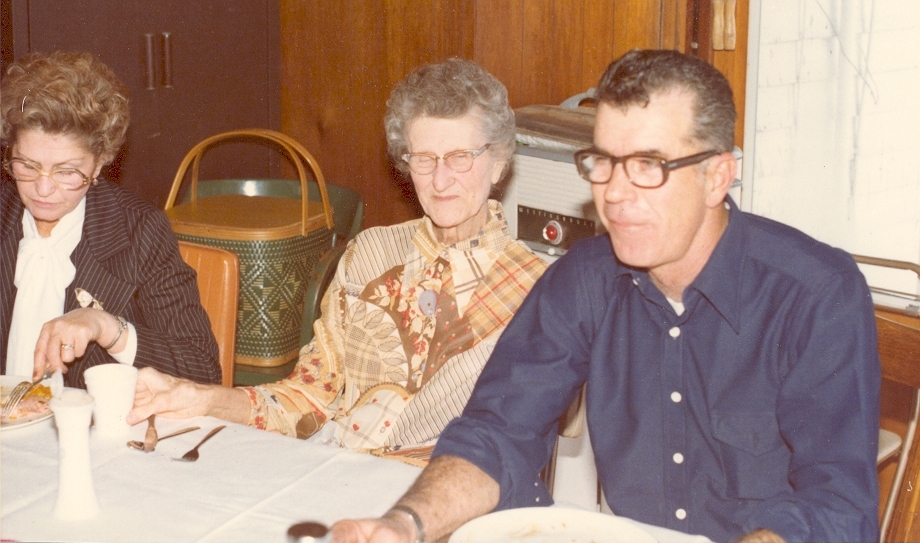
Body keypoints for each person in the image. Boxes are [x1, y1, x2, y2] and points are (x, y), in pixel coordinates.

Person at [329, 49, 881, 543]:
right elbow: (498, 432)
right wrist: (407, 525)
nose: (614, 193)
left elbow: (837, 509)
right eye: (603, 163)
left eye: (647, 166)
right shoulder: (583, 280)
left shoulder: (817, 294)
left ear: (717, 176)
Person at [126, 58, 548, 462]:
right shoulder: (370, 256)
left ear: (498, 163)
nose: (440, 180)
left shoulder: (540, 291)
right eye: (424, 159)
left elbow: (523, 445)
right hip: (340, 479)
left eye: (460, 158)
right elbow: (307, 398)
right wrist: (200, 397)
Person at [0, 51, 221, 388]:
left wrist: (106, 327)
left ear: (100, 162)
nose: (43, 189)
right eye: (27, 165)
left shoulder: (139, 231)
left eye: (68, 171)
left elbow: (202, 368)